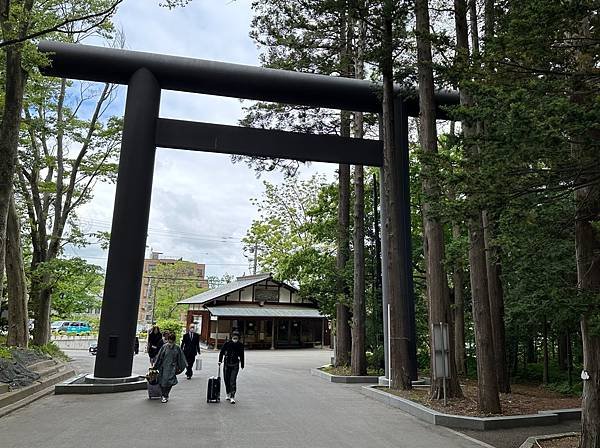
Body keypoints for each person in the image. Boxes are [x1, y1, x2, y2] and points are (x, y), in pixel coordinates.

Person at [153, 332, 186, 403]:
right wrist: (155, 366)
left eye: (172, 341)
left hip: (172, 368)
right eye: (169, 340)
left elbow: (181, 358)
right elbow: (159, 357)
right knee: (162, 382)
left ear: (174, 340)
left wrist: (180, 367)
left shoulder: (177, 348)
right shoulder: (164, 347)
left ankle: (166, 395)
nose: (170, 342)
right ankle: (164, 395)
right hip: (163, 367)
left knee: (170, 382)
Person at [218, 330, 245, 404]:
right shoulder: (227, 343)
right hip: (227, 363)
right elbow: (222, 352)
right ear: (231, 337)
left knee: (232, 380)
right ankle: (228, 393)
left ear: (238, 338)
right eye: (234, 337)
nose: (235, 339)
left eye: (236, 338)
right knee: (226, 379)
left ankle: (232, 396)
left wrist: (242, 364)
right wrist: (220, 360)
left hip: (235, 364)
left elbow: (242, 355)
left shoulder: (240, 345)